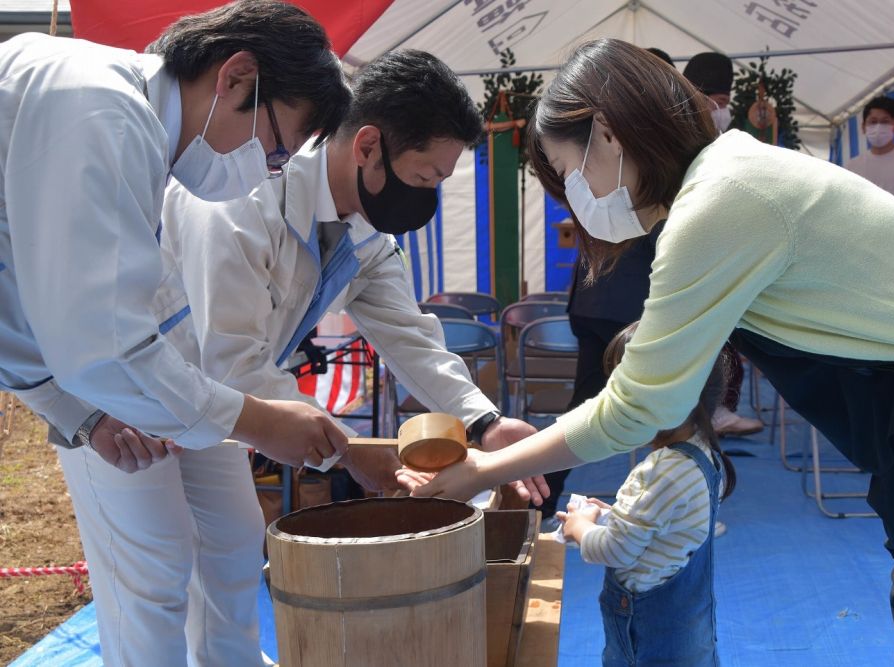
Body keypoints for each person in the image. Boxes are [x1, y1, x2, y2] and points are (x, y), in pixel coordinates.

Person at [400, 39, 894, 666]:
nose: (574, 199)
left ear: (606, 133)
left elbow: (637, 405)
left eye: (569, 171)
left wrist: (480, 471)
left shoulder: (721, 198)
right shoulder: (727, 175)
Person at [39, 48, 545, 667]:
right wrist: (346, 449)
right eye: (422, 179)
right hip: (123, 392)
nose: (427, 199)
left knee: (233, 543)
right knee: (155, 570)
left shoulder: (363, 228)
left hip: (214, 404)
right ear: (366, 147)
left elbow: (409, 333)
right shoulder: (239, 201)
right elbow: (232, 358)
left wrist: (485, 423)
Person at [0, 0, 352, 476]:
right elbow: (106, 343)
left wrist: (81, 413)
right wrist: (261, 422)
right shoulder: (110, 114)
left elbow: (15, 294)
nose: (266, 172)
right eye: (275, 149)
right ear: (236, 77)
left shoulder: (117, 115)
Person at [538, 46, 669, 527]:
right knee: (658, 412)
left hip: (598, 302)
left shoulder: (614, 157)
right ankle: (656, 509)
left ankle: (543, 494)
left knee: (591, 403)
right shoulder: (646, 166)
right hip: (625, 308)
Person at [558, 322, 735, 666]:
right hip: (688, 618)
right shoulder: (704, 454)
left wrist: (579, 527)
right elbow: (665, 524)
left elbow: (614, 550)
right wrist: (616, 516)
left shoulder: (661, 471)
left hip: (648, 627)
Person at [683, 51, 765, 438]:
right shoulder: (677, 139)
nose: (720, 111)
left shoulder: (733, 142)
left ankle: (719, 410)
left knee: (728, 338)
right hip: (692, 253)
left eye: (725, 104)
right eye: (713, 103)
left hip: (726, 252)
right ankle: (698, 416)